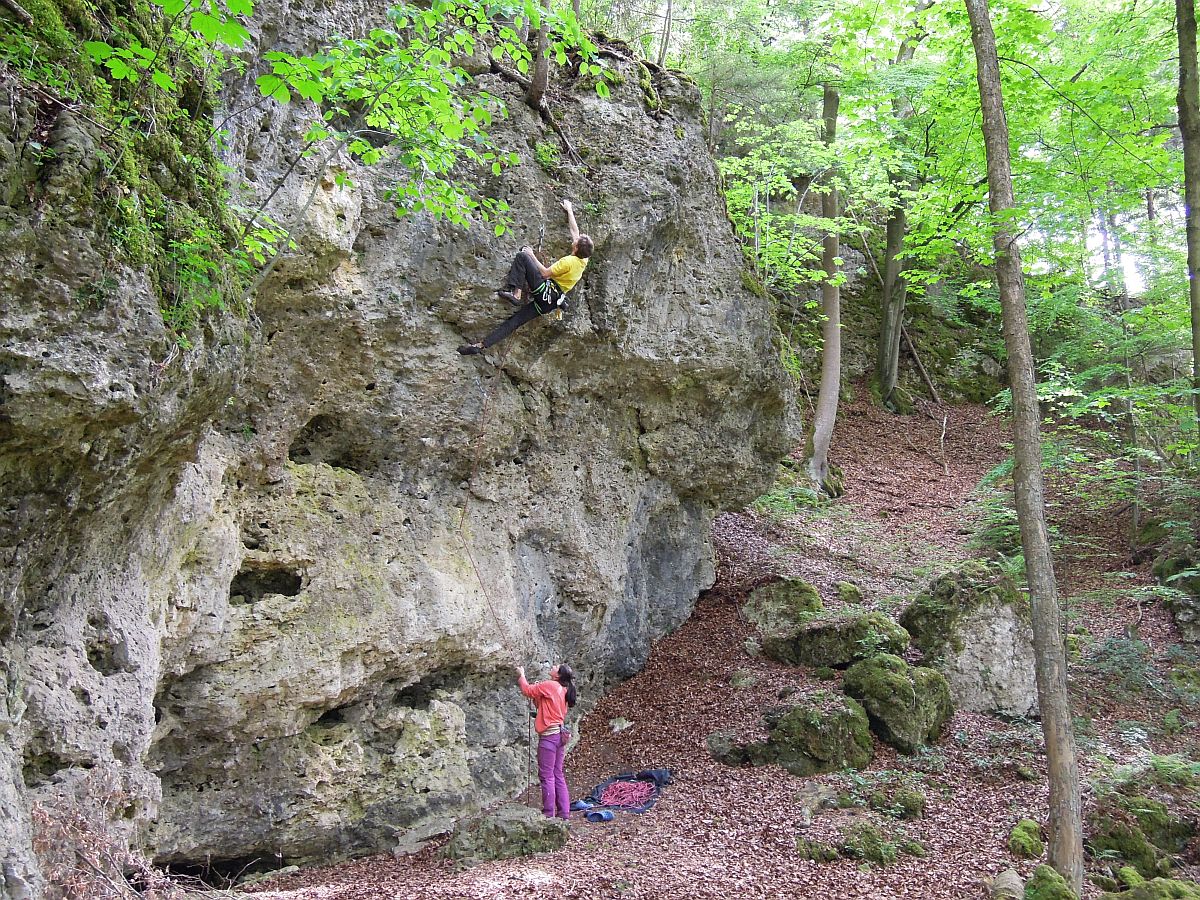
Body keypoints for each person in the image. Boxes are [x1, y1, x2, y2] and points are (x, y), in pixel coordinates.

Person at [458, 199, 594, 355]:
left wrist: (531, 255)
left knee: (523, 257)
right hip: (550, 303)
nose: (575, 239)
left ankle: (516, 293)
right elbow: (575, 231)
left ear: (576, 247)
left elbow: (544, 273)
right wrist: (569, 210)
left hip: (545, 291)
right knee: (515, 322)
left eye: (576, 241)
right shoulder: (583, 260)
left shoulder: (568, 261)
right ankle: (480, 346)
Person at [516, 662, 578, 820]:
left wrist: (521, 674)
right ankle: (564, 812)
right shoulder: (563, 689)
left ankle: (548, 813)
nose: (555, 665)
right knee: (557, 774)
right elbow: (542, 703)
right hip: (559, 735)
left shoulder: (550, 685)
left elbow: (527, 690)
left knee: (547, 775)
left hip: (549, 737)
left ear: (558, 675)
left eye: (557, 667)